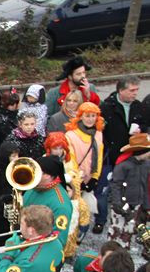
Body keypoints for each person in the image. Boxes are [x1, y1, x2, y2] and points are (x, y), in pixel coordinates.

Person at [98, 76, 145, 224]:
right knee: (104, 191)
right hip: (111, 157)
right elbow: (100, 132)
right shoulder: (106, 107)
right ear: (121, 90)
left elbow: (145, 125)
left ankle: (128, 216)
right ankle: (101, 220)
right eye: (132, 90)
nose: (135, 93)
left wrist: (141, 130)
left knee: (128, 188)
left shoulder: (138, 106)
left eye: (137, 90)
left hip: (131, 155)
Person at [44, 131, 86, 256]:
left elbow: (76, 179)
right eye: (55, 148)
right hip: (51, 198)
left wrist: (71, 183)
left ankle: (67, 252)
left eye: (60, 148)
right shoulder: (45, 161)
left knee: (70, 226)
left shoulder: (69, 162)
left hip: (69, 198)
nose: (58, 151)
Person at [65, 102, 104, 233]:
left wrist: (95, 177)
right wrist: (77, 180)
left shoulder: (98, 134)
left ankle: (80, 235)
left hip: (90, 178)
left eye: (93, 116)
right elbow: (71, 159)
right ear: (80, 116)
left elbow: (99, 157)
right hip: (75, 178)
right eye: (87, 116)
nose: (90, 119)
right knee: (74, 211)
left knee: (85, 213)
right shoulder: (71, 135)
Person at [108, 133, 150, 248]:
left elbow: (146, 185)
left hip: (136, 205)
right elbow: (116, 185)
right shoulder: (123, 166)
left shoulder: (147, 165)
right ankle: (111, 252)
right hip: (121, 204)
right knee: (116, 231)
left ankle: (123, 252)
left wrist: (146, 206)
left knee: (129, 231)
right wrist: (117, 204)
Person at [22, 155, 71, 250]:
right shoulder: (34, 187)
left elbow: (58, 239)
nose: (32, 174)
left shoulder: (60, 204)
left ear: (48, 176)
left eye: (37, 171)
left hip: (36, 251)